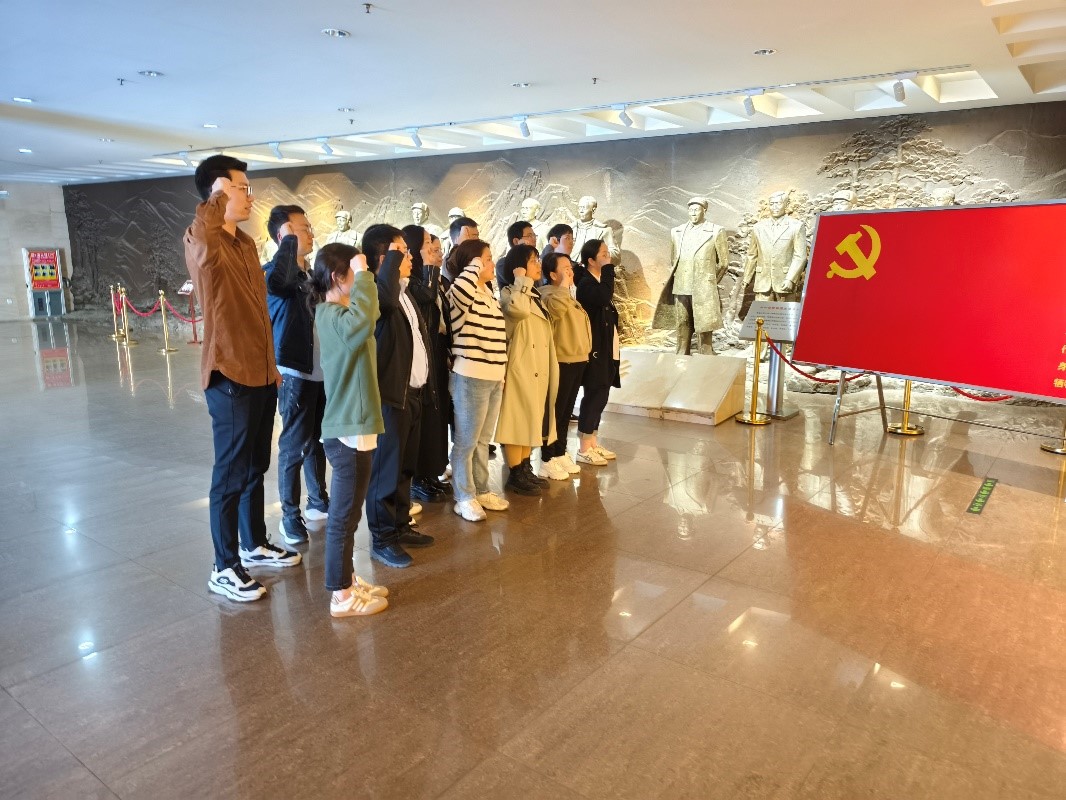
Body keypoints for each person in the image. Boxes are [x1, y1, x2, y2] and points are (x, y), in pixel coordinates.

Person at [184, 155, 300, 604]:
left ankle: (253, 543)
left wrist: (272, 369)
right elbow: (206, 239)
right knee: (230, 473)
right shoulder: (202, 237)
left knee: (255, 466)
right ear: (217, 192)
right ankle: (223, 566)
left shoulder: (246, 244)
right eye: (241, 188)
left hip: (260, 372)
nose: (250, 196)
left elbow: (257, 312)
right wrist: (215, 201)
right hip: (229, 371)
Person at [311, 243, 389, 617]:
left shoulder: (340, 314)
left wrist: (361, 278)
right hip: (346, 430)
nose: (359, 279)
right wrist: (365, 275)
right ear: (336, 277)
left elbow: (367, 315)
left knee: (350, 514)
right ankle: (341, 595)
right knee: (342, 517)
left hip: (356, 425)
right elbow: (363, 321)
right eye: (353, 274)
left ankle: (348, 580)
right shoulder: (330, 315)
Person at [362, 224, 435, 569]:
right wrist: (389, 265)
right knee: (385, 471)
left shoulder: (404, 291)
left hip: (413, 394)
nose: (410, 257)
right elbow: (384, 303)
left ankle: (401, 525)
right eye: (401, 252)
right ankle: (382, 538)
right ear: (383, 258)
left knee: (405, 466)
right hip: (391, 397)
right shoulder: (376, 292)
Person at [263, 205, 329, 546]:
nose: (311, 233)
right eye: (303, 228)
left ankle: (318, 501)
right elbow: (282, 282)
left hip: (318, 371)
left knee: (316, 440)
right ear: (284, 233)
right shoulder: (276, 274)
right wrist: (288, 243)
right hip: (294, 372)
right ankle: (290, 516)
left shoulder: (308, 275)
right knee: (293, 444)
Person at [445, 239, 509, 521]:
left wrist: (501, 374)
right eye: (487, 258)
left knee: (483, 440)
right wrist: (473, 263)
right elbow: (462, 286)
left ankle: (481, 490)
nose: (492, 263)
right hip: (470, 375)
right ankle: (464, 496)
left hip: (493, 376)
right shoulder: (460, 291)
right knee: (466, 441)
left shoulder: (487, 294)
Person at [496, 244, 558, 495]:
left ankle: (524, 467)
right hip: (519, 367)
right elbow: (518, 312)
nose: (538, 265)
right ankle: (515, 473)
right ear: (518, 266)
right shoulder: (510, 293)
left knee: (530, 418)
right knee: (517, 420)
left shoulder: (532, 295)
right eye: (533, 261)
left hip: (536, 368)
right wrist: (521, 280)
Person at [403, 226, 452, 505]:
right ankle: (419, 478)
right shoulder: (412, 281)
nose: (432, 249)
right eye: (426, 243)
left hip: (437, 351)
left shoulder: (434, 278)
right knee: (424, 417)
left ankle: (432, 473)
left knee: (437, 415)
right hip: (421, 356)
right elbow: (425, 296)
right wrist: (431, 267)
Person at [651, 197, 729, 356]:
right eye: (691, 210)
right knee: (682, 321)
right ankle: (681, 354)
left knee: (704, 323)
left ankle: (706, 354)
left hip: (704, 286)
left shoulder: (716, 231)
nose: (693, 213)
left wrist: (710, 281)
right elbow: (674, 259)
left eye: (697, 209)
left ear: (704, 211)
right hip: (682, 283)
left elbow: (723, 263)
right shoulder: (677, 232)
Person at [538, 252, 589, 479]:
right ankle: (547, 457)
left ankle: (560, 452)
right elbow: (557, 312)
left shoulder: (567, 293)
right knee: (555, 412)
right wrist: (564, 287)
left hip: (577, 359)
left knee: (566, 412)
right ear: (552, 274)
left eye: (570, 267)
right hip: (561, 360)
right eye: (565, 268)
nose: (570, 271)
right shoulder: (548, 294)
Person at [574, 238, 621, 466]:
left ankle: (592, 442)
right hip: (595, 350)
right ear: (591, 260)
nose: (608, 257)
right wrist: (609, 270)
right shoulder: (586, 283)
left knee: (602, 394)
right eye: (603, 254)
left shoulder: (598, 281)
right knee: (594, 395)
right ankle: (583, 448)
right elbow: (603, 297)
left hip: (607, 346)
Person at [742, 191, 807, 302]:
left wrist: (790, 279)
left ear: (786, 205)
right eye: (772, 204)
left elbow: (800, 256)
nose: (774, 207)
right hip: (763, 282)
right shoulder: (758, 227)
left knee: (784, 313)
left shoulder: (796, 226)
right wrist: (746, 278)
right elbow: (752, 255)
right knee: (760, 313)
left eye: (778, 203)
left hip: (785, 282)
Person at [572, 196, 619, 261]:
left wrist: (599, 254)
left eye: (584, 208)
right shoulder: (570, 228)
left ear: (593, 210)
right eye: (580, 208)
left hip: (591, 266)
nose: (581, 211)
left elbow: (616, 255)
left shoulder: (604, 230)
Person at [495, 219, 537, 287]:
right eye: (529, 236)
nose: (534, 239)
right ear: (516, 241)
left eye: (534, 235)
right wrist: (521, 251)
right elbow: (515, 279)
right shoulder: (502, 263)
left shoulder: (536, 260)